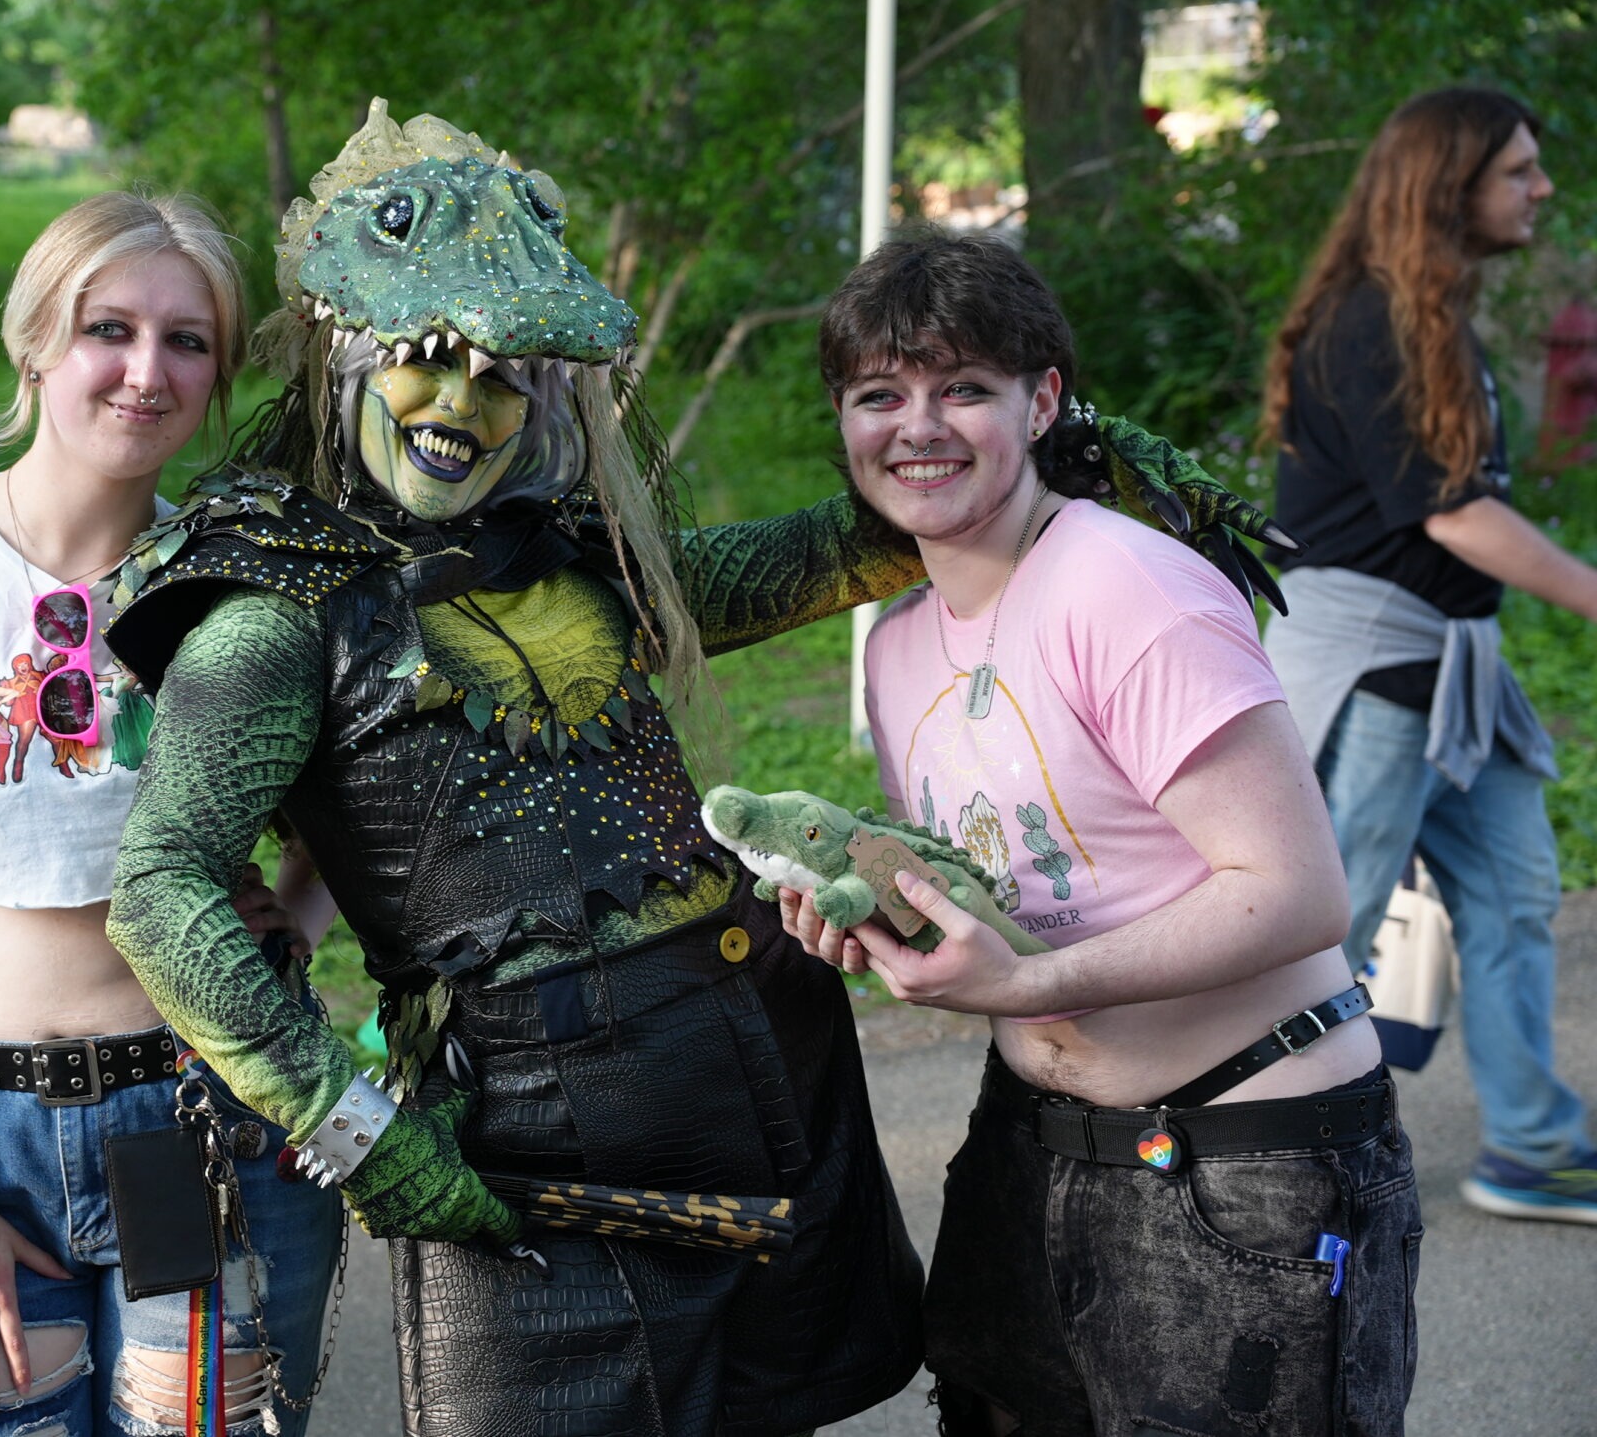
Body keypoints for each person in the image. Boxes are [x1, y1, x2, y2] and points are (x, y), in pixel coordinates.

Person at [99, 102, 1280, 1437]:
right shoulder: (270, 616)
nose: (462, 406)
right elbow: (160, 888)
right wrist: (357, 1131)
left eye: (504, 374)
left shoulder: (569, 554)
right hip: (525, 1139)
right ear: (348, 364)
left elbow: (785, 562)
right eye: (427, 361)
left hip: (761, 1064)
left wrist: (1008, 449)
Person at [780, 231, 1414, 1435]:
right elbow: (1015, 876)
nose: (919, 426)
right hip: (1029, 1149)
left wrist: (1030, 979)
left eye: (962, 388)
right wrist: (876, 910)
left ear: (1042, 400)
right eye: (881, 396)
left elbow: (1294, 892)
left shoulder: (1128, 587)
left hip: (1246, 1159)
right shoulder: (897, 645)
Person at [0, 192, 343, 1435]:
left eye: (188, 341)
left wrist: (286, 929)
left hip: (215, 1129)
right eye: (110, 328)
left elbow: (356, 815)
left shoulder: (245, 587)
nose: (148, 372)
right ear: (34, 340)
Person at [1260, 85, 1597, 1224]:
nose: (1537, 188)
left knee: (1511, 897)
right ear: (1444, 185)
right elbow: (1449, 514)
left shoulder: (1430, 314)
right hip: (1373, 669)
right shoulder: (1374, 320)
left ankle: (1532, 1148)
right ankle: (1261, 1158)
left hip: (1450, 674)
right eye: (1516, 170)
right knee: (1322, 929)